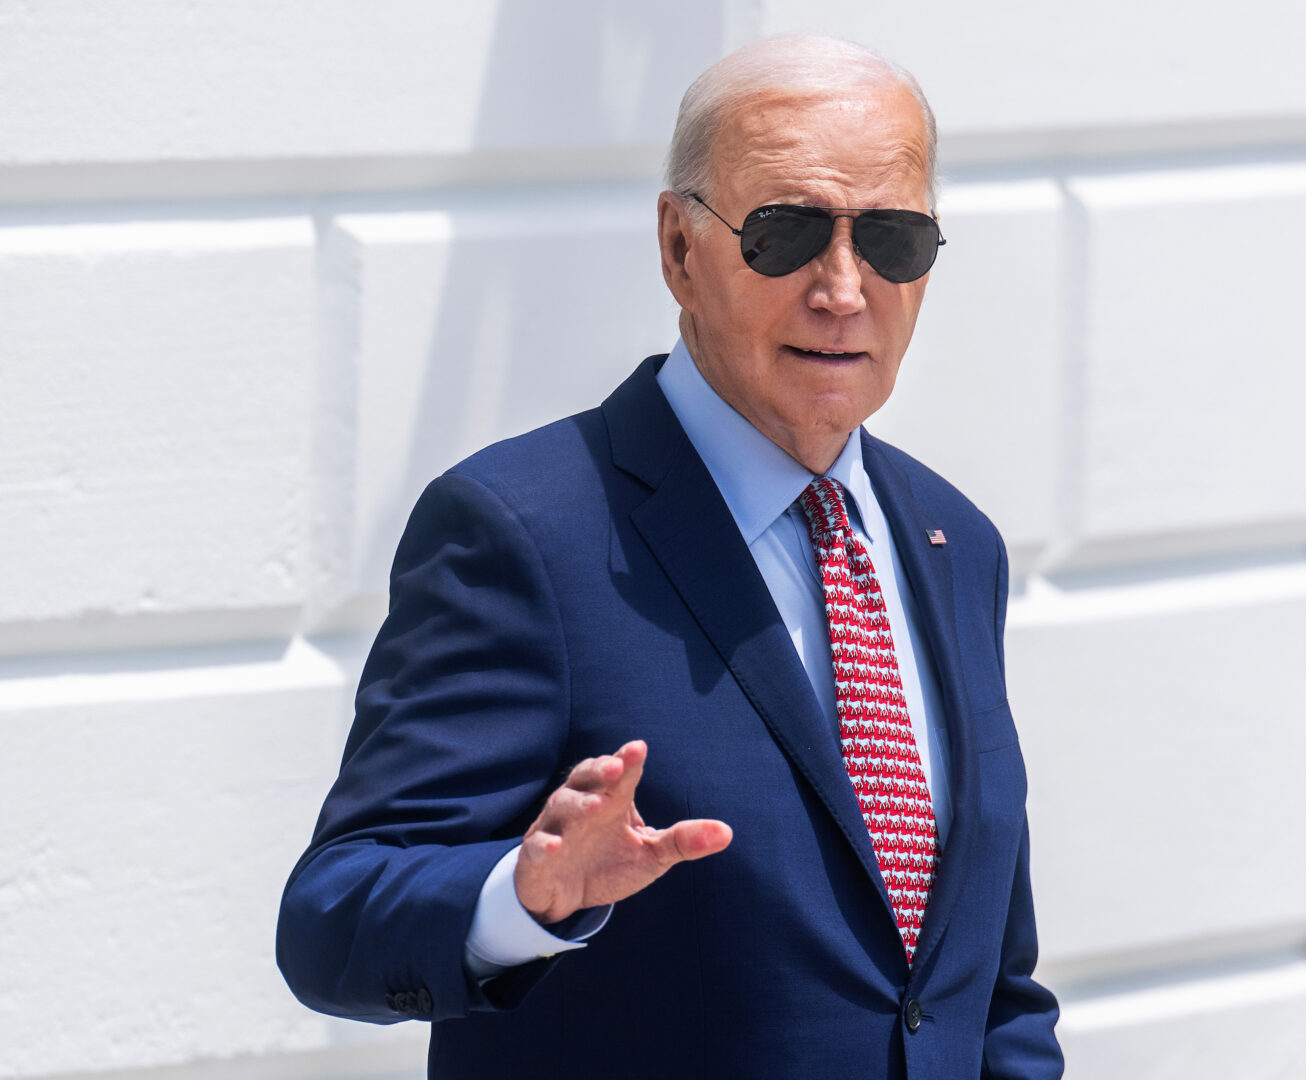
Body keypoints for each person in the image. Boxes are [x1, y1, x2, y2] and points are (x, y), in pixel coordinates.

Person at [277, 33, 1063, 1079]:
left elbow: (983, 986)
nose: (841, 286)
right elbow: (335, 919)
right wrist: (526, 896)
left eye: (892, 238)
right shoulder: (525, 529)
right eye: (784, 235)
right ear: (679, 248)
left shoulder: (950, 539)